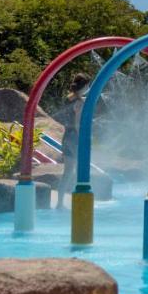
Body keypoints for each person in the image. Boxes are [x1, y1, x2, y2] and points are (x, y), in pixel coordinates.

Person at [54, 73, 90, 209]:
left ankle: (59, 203)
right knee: (81, 170)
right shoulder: (80, 102)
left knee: (68, 172)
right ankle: (80, 202)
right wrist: (84, 139)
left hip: (67, 137)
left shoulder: (69, 99)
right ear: (86, 86)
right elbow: (77, 123)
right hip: (76, 137)